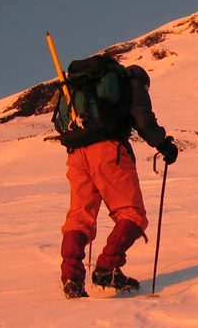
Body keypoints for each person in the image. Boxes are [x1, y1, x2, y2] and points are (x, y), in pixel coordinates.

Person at [59, 63, 178, 298]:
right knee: (132, 213)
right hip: (107, 150)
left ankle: (71, 276)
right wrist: (163, 145)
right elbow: (143, 120)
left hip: (77, 152)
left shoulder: (84, 86)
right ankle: (107, 268)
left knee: (79, 217)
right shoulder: (132, 82)